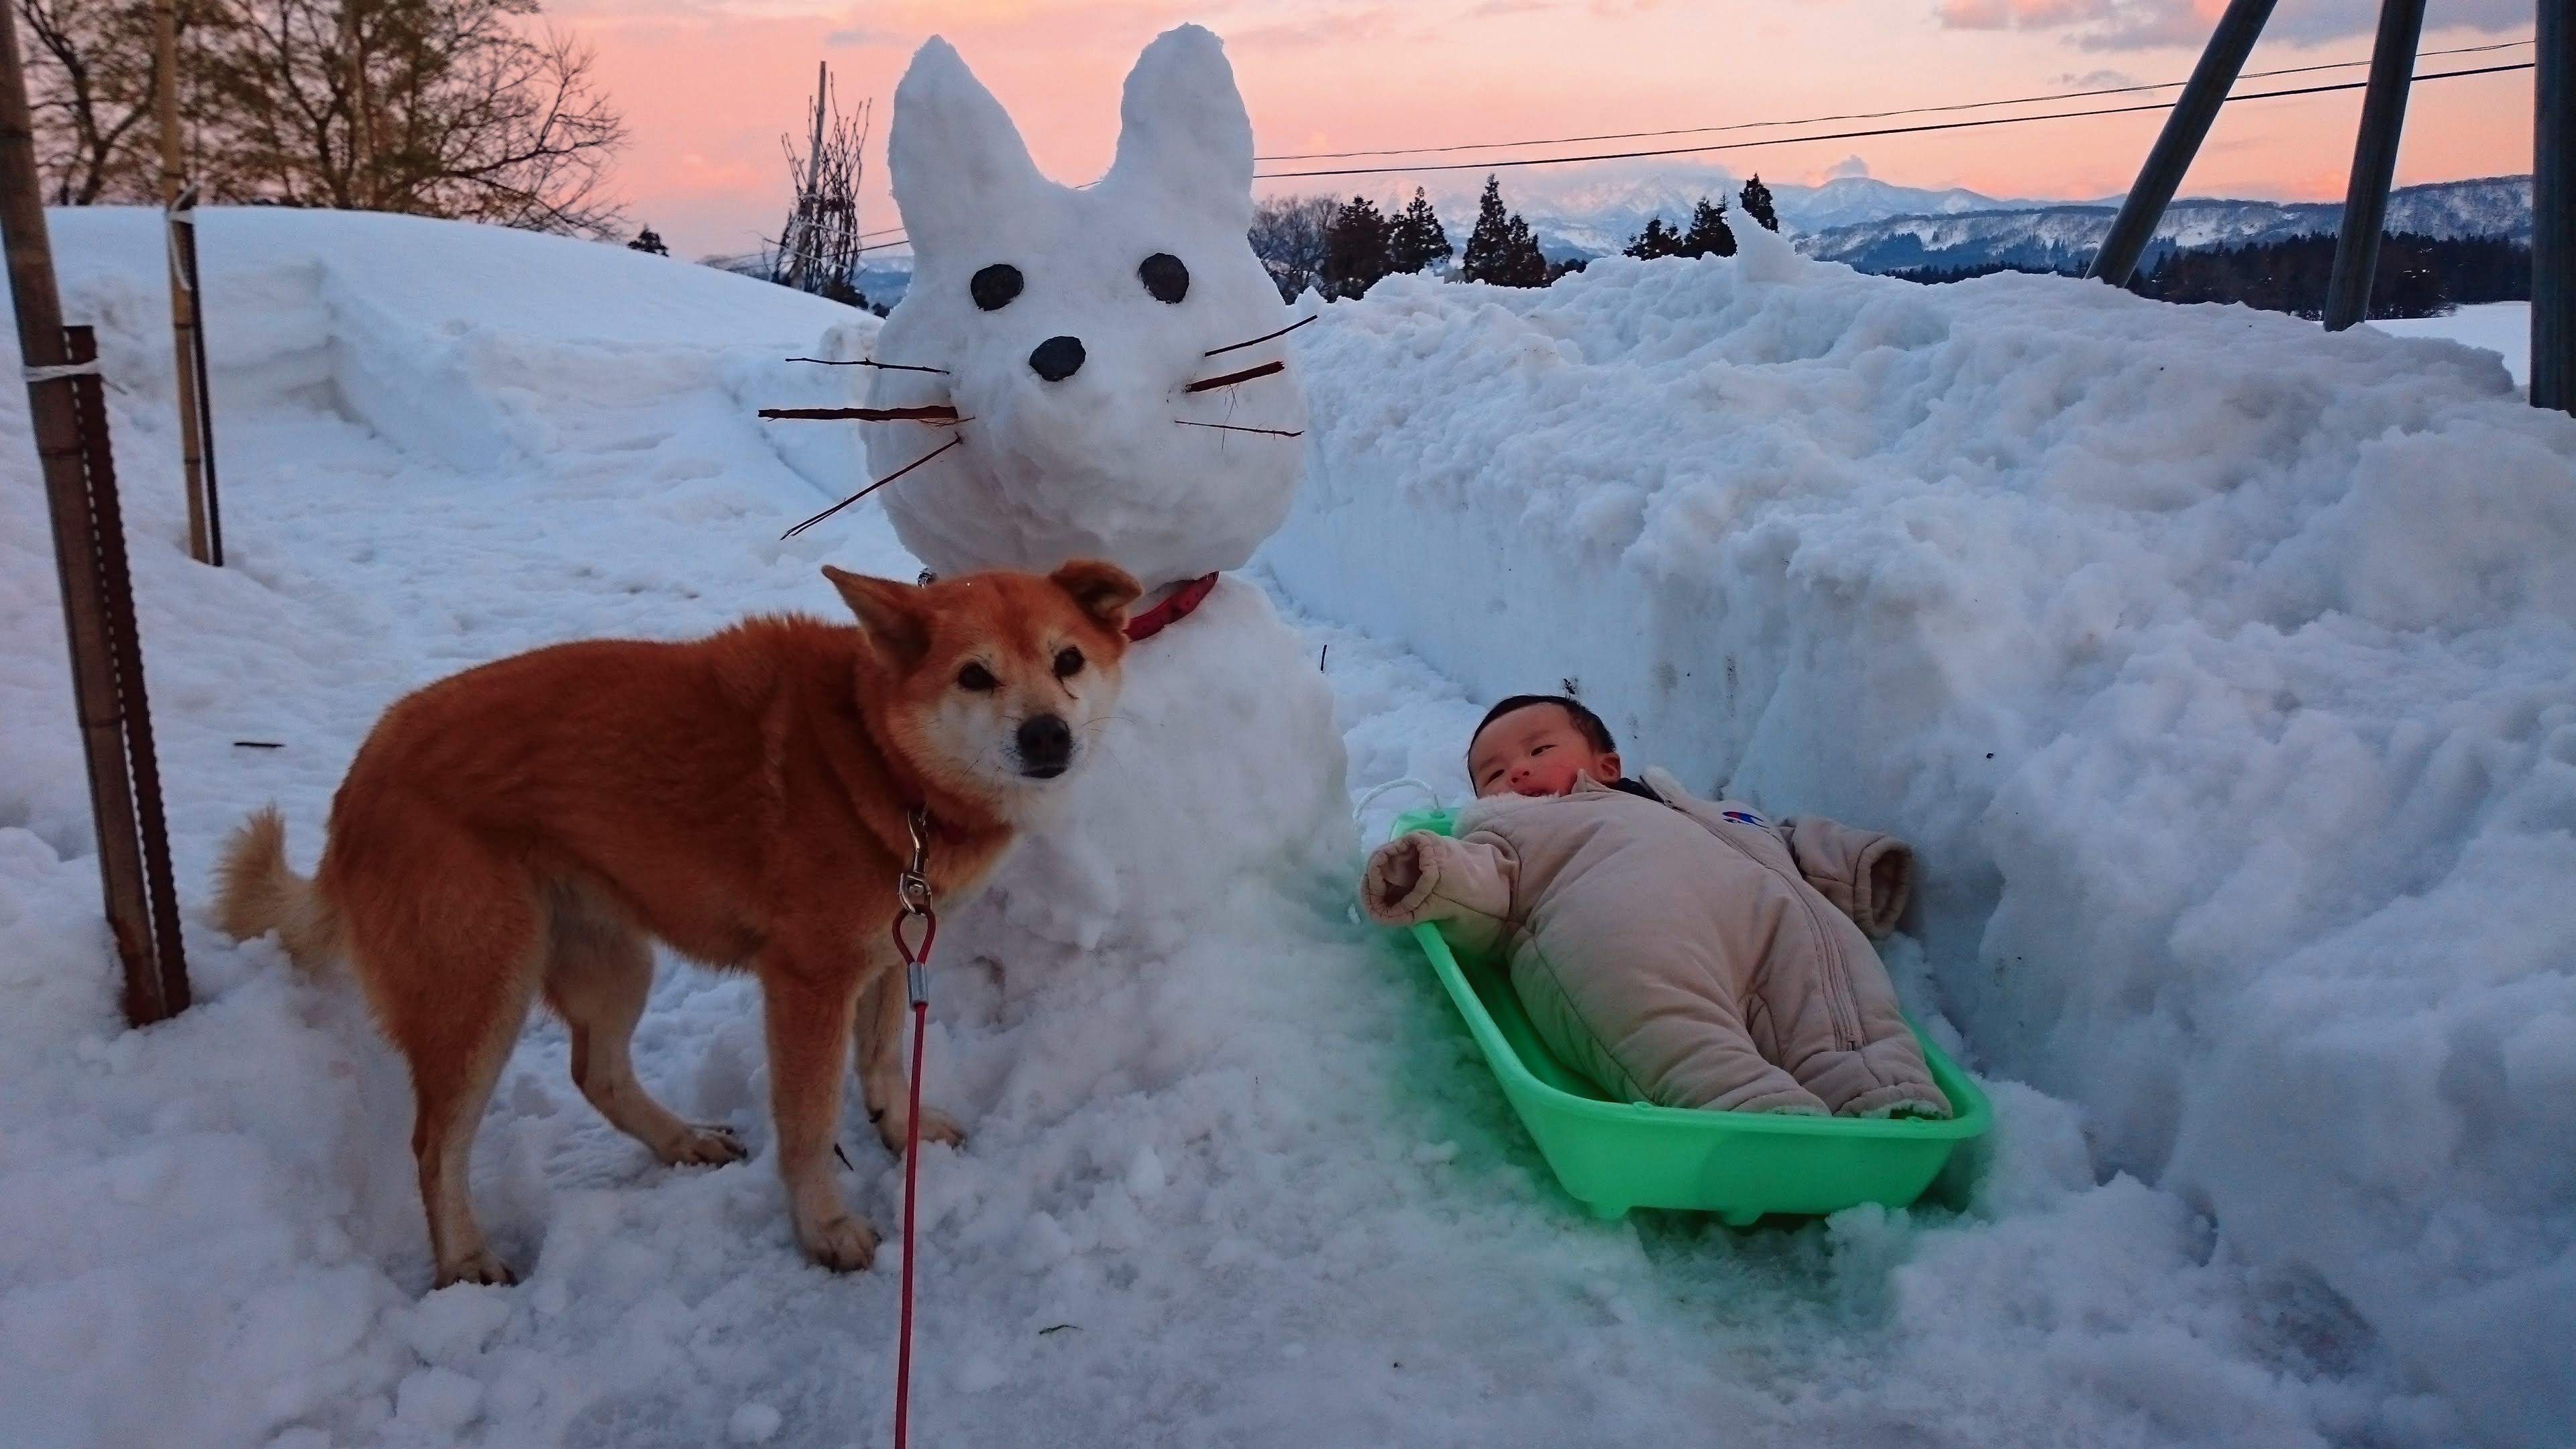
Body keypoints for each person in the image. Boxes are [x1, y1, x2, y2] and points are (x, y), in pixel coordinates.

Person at [1362, 696, 1950, 1119]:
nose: (1517, 770)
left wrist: (1850, 864)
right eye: (1494, 774)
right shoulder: (1511, 833)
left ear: (1609, 766)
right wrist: (1429, 869)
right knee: (1650, 1002)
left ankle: (1878, 1089)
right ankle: (1738, 1101)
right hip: (1643, 935)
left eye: (1539, 749)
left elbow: (1786, 841)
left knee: (1834, 990)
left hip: (1772, 919)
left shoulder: (1710, 809)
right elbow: (1482, 883)